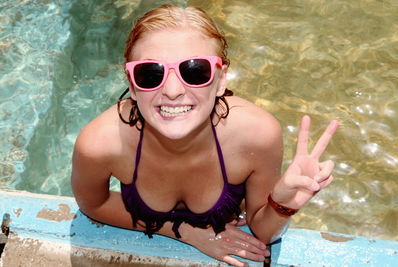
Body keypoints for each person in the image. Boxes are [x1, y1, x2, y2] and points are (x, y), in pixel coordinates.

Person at [71, 4, 339, 267]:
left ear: (221, 79)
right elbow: (95, 204)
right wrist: (183, 231)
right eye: (150, 74)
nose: (173, 90)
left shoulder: (256, 135)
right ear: (132, 84)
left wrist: (283, 204)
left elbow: (263, 232)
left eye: (195, 71)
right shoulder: (101, 143)